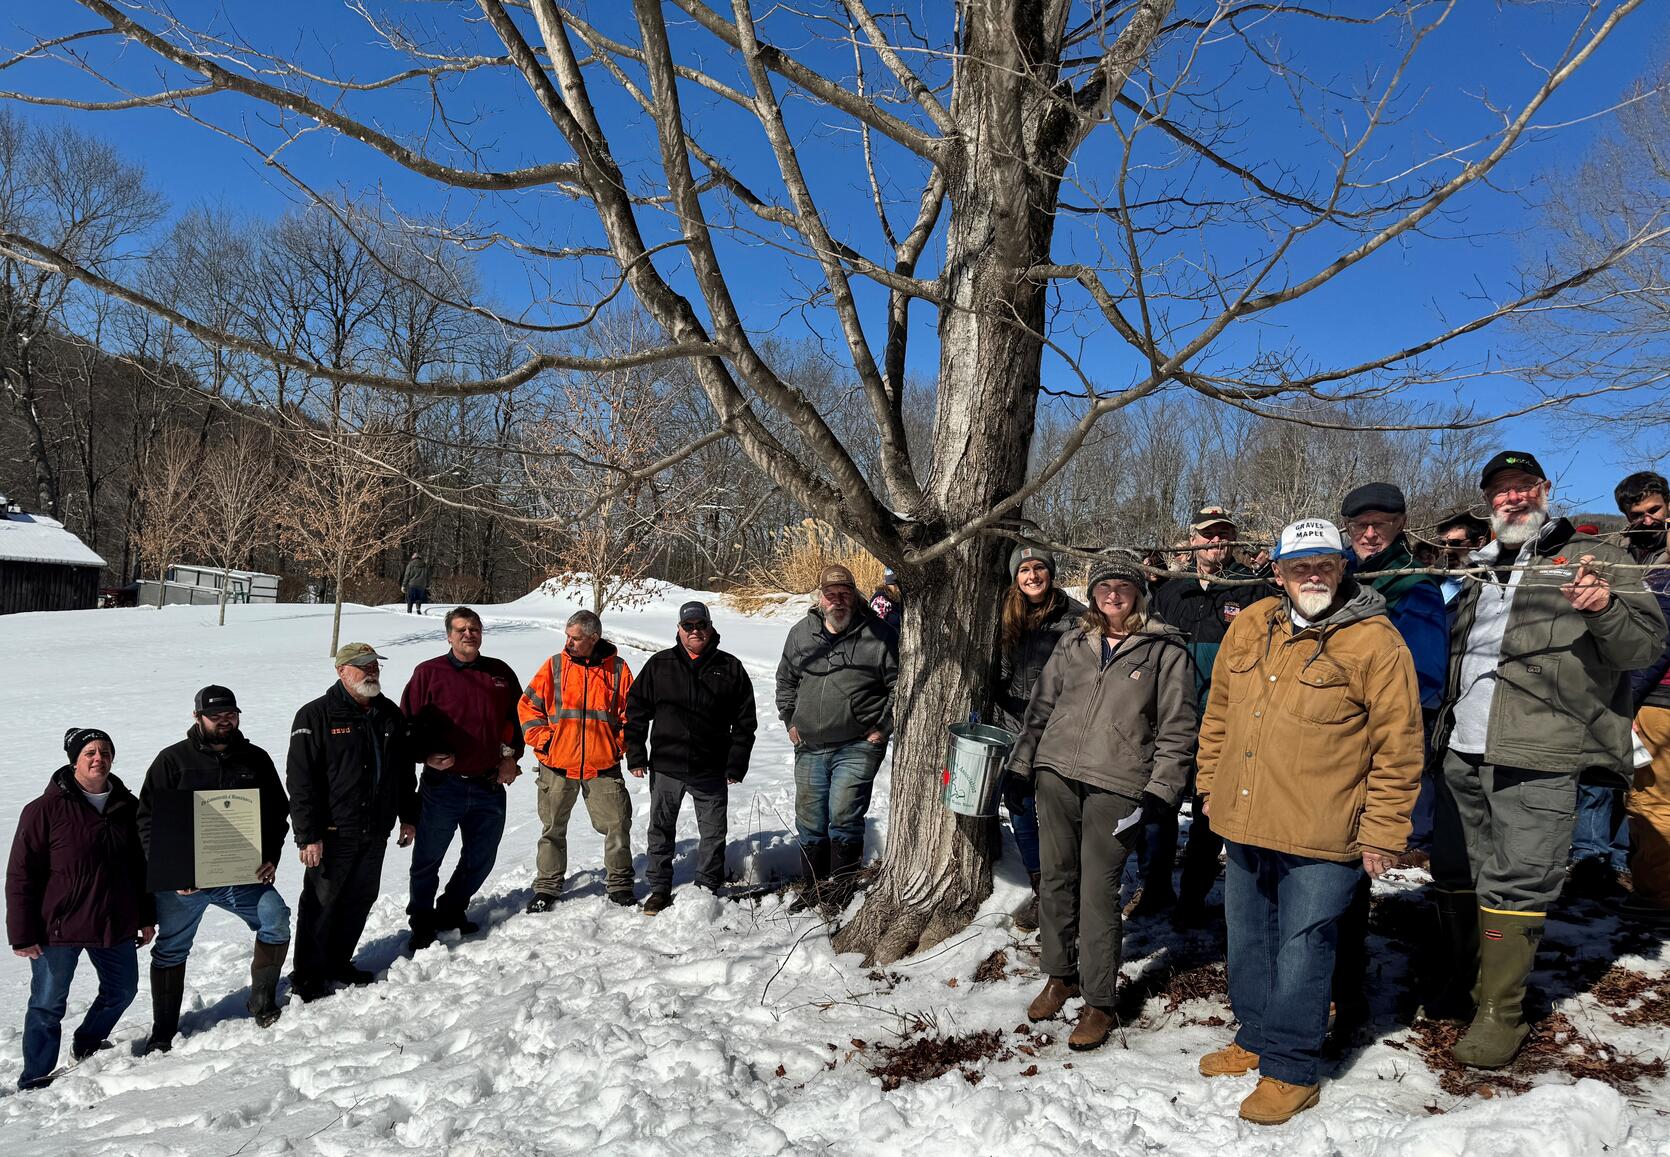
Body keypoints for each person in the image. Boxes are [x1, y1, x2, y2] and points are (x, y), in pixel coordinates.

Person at [1431, 451, 1665, 1069]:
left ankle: (1500, 1012)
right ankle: (1468, 984)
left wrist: (1602, 607)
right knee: (1462, 870)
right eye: (1500, 491)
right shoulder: (1479, 567)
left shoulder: (1596, 558)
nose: (1512, 499)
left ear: (1545, 490)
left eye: (1523, 488)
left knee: (1519, 878)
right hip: (1463, 748)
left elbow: (1643, 645)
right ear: (1488, 502)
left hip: (1542, 748)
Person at [1195, 518, 1423, 1125]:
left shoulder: (1376, 641)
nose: (1313, 574)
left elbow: (1398, 744)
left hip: (1325, 827)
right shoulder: (1251, 625)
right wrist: (1209, 784)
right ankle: (1258, 1033)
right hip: (1245, 813)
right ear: (1279, 572)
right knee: (1246, 934)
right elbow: (1219, 712)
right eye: (1300, 566)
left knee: (1302, 946)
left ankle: (1292, 1068)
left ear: (1343, 567)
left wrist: (1383, 829)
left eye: (1324, 563)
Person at [1006, 554, 1196, 1051]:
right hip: (1056, 775)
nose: (1113, 594)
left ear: (1138, 592)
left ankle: (1099, 1001)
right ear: (1092, 592)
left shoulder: (1164, 648)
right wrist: (1022, 764)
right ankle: (1059, 975)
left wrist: (1162, 790)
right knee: (1056, 878)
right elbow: (1041, 706)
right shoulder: (1074, 640)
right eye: (1104, 586)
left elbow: (1179, 727)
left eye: (1124, 586)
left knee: (1098, 890)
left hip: (1117, 782)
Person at [136, 687, 292, 1051]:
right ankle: (163, 1029)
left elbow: (276, 812)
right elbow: (147, 819)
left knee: (276, 917)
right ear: (197, 717)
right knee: (172, 949)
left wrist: (270, 854)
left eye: (231, 714)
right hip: (183, 883)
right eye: (215, 715)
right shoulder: (172, 761)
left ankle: (263, 1000)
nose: (225, 721)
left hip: (239, 876)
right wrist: (171, 872)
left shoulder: (254, 759)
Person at [7, 729, 155, 1090]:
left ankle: (87, 1043)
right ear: (74, 759)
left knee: (122, 990)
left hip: (113, 921)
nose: (98, 758)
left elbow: (143, 867)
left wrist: (147, 915)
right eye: (89, 752)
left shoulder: (127, 807)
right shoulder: (44, 810)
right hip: (57, 928)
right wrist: (22, 934)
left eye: (105, 751)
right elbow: (20, 875)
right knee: (47, 1005)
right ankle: (36, 1076)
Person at [1143, 505, 1261, 921]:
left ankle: (1192, 897)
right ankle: (1154, 888)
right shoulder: (1171, 590)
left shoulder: (1253, 589)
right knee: (1160, 806)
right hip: (1171, 718)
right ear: (1192, 540)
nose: (1217, 542)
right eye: (1209, 535)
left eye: (1225, 534)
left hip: (1226, 721)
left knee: (1210, 810)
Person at [285, 643, 420, 1001]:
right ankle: (308, 976)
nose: (372, 671)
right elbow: (300, 781)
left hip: (376, 829)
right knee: (320, 902)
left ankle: (338, 962)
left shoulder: (389, 714)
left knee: (359, 898)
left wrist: (409, 815)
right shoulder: (316, 715)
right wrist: (308, 835)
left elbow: (403, 771)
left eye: (375, 665)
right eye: (363, 666)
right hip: (332, 832)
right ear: (341, 671)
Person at [625, 601, 758, 914]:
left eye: (701, 625)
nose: (695, 631)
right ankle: (659, 888)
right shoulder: (660, 665)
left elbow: (745, 721)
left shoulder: (730, 667)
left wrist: (736, 761)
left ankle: (707, 886)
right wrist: (635, 753)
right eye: (689, 626)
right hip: (667, 766)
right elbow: (635, 712)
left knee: (713, 832)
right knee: (660, 829)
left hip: (711, 768)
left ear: (710, 627)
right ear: (679, 629)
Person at [401, 608, 523, 951]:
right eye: (461, 629)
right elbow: (405, 729)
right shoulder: (429, 673)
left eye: (474, 628)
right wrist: (424, 756)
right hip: (444, 787)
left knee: (482, 857)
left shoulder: (499, 674)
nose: (468, 634)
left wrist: (511, 758)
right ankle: (422, 922)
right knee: (428, 859)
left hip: (488, 784)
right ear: (449, 635)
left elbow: (518, 721)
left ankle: (451, 909)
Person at [776, 564, 899, 893]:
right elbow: (786, 680)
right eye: (831, 595)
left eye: (845, 594)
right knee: (810, 819)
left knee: (844, 814)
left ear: (855, 595)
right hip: (810, 745)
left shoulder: (879, 634)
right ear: (820, 598)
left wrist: (883, 726)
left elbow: (899, 686)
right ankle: (814, 888)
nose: (838, 601)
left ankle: (841, 889)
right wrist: (789, 719)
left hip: (857, 744)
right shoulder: (802, 633)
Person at [990, 545, 1086, 931]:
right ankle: (1041, 888)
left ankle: (1068, 890)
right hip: (1013, 726)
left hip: (1059, 729)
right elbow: (997, 672)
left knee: (1059, 812)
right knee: (1020, 808)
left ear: (1050, 573)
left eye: (1039, 568)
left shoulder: (1076, 619)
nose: (1032, 576)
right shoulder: (1006, 615)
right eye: (1024, 570)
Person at [520, 610, 637, 908]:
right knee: (552, 829)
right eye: (567, 636)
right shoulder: (554, 666)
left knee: (618, 825)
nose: (568, 642)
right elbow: (528, 707)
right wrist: (546, 742)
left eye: (575, 638)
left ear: (594, 638)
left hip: (602, 767)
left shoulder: (619, 670)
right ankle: (547, 887)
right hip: (557, 766)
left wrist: (616, 746)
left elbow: (632, 718)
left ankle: (620, 885)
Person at [1619, 471, 1670, 923]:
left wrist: (1628, 701)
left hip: (1660, 698)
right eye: (1636, 514)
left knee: (1652, 801)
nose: (1646, 519)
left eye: (1653, 510)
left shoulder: (1663, 565)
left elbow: (1659, 637)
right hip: (1650, 692)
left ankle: (1654, 897)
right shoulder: (1636, 554)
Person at [1434, 511, 1492, 609]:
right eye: (1442, 544)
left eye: (1455, 543)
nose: (1446, 550)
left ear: (1479, 543)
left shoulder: (1489, 585)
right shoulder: (1432, 578)